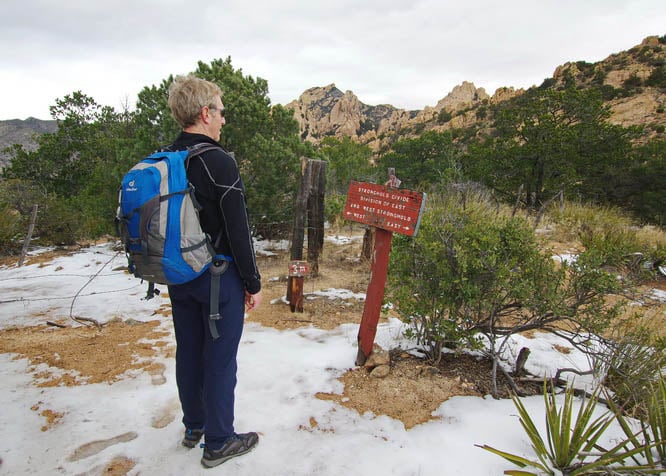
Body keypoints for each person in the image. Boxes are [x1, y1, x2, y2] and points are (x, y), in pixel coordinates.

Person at [166, 75, 262, 468]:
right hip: (217, 277)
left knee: (189, 350)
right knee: (220, 358)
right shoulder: (218, 160)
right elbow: (237, 229)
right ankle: (220, 440)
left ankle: (195, 426)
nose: (224, 120)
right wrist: (252, 282)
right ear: (205, 113)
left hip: (177, 275)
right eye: (221, 112)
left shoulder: (167, 157)